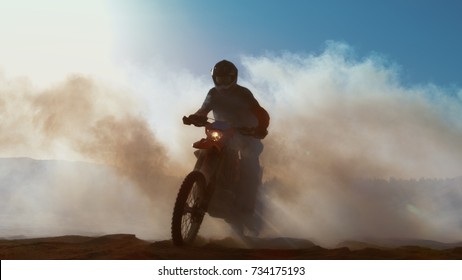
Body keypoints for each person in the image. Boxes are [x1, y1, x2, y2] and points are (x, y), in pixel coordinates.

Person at [188, 59, 270, 217]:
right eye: (219, 79)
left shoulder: (243, 93)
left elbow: (260, 112)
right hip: (223, 131)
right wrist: (195, 117)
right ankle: (200, 188)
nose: (223, 83)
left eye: (226, 79)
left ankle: (247, 206)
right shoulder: (213, 93)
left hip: (246, 133)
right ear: (214, 78)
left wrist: (261, 128)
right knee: (206, 147)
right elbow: (204, 109)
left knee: (249, 162)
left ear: (233, 78)